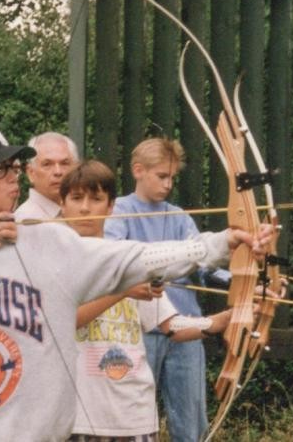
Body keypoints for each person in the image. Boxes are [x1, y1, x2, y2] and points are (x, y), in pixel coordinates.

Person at [0, 119, 271, 441]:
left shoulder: (47, 241)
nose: (15, 174)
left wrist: (220, 243)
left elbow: (136, 258)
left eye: (15, 165)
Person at [60, 160, 232, 441]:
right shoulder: (58, 260)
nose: (84, 208)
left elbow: (171, 326)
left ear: (111, 206)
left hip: (134, 414)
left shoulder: (128, 258)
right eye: (76, 198)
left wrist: (221, 321)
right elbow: (64, 320)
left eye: (96, 199)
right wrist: (122, 291)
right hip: (80, 417)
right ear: (63, 205)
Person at [104, 138, 224, 441]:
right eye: (162, 176)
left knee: (190, 419)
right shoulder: (119, 211)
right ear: (138, 170)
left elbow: (204, 258)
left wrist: (239, 276)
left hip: (186, 327)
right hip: (141, 328)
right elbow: (118, 259)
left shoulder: (178, 215)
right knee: (134, 417)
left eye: (172, 177)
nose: (168, 184)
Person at [14, 131, 79, 220]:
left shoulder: (85, 213)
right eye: (47, 164)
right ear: (31, 173)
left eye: (65, 163)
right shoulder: (26, 220)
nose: (58, 172)